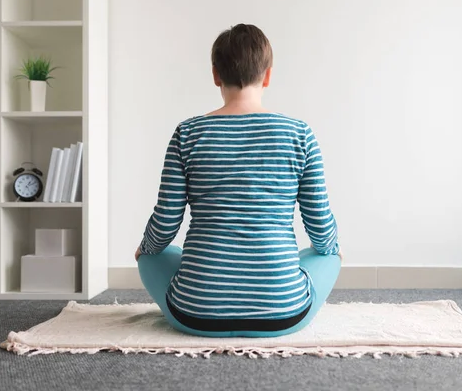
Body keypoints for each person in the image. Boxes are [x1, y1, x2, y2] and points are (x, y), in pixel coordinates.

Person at [135, 23, 341, 338]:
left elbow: (165, 223)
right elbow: (320, 226)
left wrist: (145, 248)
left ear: (216, 74)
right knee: (325, 256)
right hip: (282, 312)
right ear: (268, 75)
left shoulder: (187, 134)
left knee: (154, 255)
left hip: (195, 313)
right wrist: (332, 248)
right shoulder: (300, 135)